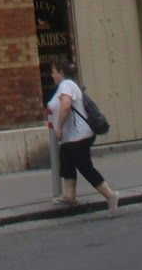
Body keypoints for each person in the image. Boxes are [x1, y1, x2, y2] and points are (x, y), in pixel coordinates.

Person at [46, 58, 119, 215]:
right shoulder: (63, 86)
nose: (51, 75)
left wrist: (58, 127)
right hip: (70, 137)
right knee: (66, 162)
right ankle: (70, 196)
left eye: (53, 72)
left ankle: (110, 195)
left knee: (85, 167)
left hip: (79, 135)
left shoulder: (67, 85)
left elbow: (65, 107)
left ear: (60, 72)